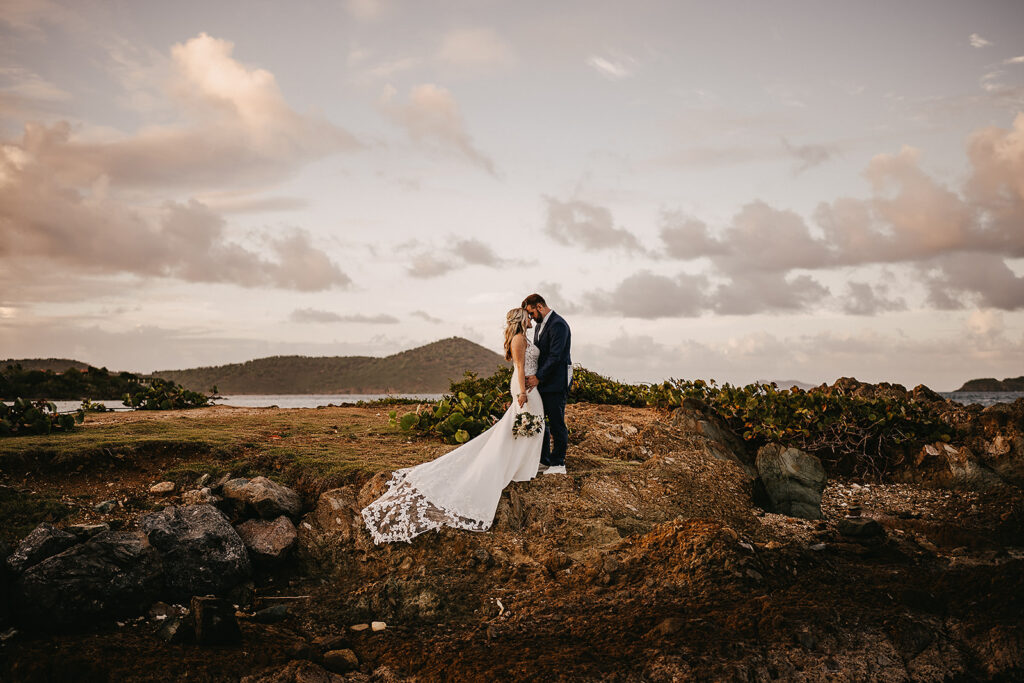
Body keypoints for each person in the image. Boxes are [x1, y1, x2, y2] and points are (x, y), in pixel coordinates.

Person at [361, 308, 545, 544]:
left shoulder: (524, 337)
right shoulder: (519, 339)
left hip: (529, 386)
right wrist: (521, 393)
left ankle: (523, 466)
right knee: (524, 424)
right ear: (521, 320)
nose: (531, 319)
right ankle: (516, 467)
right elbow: (520, 367)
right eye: (528, 316)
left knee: (527, 425)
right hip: (524, 387)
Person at [522, 293, 572, 475]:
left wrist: (538, 377)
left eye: (532, 313)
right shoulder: (538, 327)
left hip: (556, 382)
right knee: (542, 421)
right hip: (543, 384)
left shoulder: (558, 324)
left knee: (557, 422)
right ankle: (545, 460)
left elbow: (556, 356)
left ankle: (559, 463)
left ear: (540, 307)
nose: (531, 318)